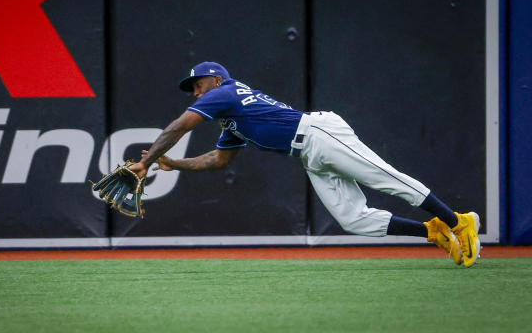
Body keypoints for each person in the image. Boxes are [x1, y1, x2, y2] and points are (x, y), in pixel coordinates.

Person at [128, 61, 481, 267]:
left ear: (216, 81)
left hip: (319, 135)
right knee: (353, 219)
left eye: (198, 84)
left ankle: (459, 220)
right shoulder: (231, 117)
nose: (196, 92)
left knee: (387, 179)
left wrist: (151, 160)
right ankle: (433, 231)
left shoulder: (226, 92)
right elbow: (217, 160)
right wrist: (174, 162)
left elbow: (178, 126)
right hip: (310, 154)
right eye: (192, 88)